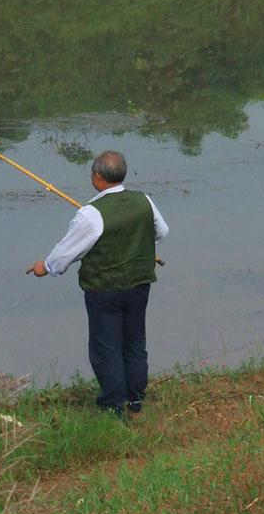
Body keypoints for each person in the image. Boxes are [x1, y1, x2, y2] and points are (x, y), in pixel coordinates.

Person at [27, 151, 169, 420]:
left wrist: (43, 267)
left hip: (105, 291)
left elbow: (64, 255)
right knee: (135, 344)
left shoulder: (91, 214)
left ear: (97, 177)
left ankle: (113, 407)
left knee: (107, 349)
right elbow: (161, 233)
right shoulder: (144, 201)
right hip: (140, 285)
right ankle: (135, 403)